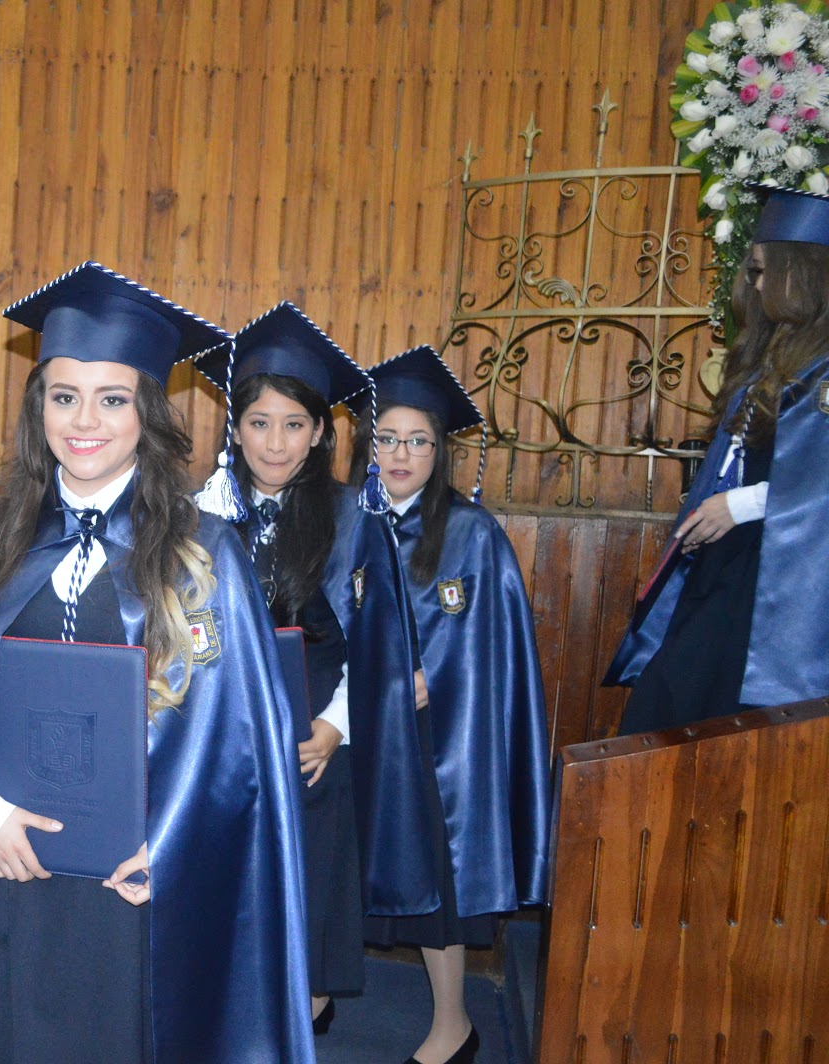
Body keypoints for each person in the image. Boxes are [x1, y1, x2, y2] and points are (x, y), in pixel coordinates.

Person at [0, 263, 314, 1064]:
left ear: (148, 412)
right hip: (4, 868)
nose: (84, 422)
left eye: (112, 399)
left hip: (128, 889)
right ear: (39, 409)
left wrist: (168, 848)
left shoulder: (204, 557)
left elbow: (242, 746)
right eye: (64, 397)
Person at [339, 348, 551, 1064]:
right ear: (367, 446)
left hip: (438, 740)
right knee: (331, 856)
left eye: (419, 441)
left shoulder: (471, 533)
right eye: (387, 438)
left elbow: (493, 651)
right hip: (353, 728)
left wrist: (436, 677)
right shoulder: (348, 522)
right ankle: (319, 991)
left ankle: (453, 1023)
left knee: (439, 876)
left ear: (440, 451)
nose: (401, 455)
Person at [192, 302, 372, 1035]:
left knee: (304, 888)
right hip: (223, 734)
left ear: (322, 431)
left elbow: (382, 646)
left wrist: (335, 728)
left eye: (295, 424)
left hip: (311, 739)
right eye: (259, 422)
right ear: (235, 428)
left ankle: (303, 1010)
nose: (275, 442)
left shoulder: (355, 518)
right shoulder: (199, 513)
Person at [607, 185, 829, 729]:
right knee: (671, 704)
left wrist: (742, 505)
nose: (755, 285)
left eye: (762, 271)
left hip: (782, 569)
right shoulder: (774, 354)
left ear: (800, 275)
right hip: (731, 559)